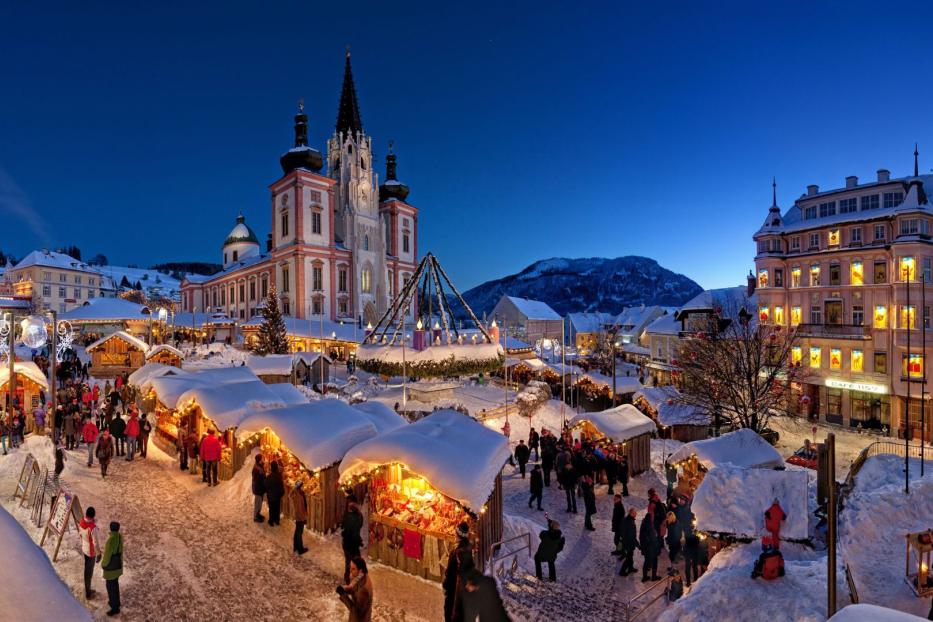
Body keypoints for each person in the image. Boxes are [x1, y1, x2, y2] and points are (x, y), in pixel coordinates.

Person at [443, 522, 474, 622]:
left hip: (454, 589)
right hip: (463, 591)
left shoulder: (457, 552)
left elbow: (451, 572)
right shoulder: (468, 548)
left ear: (458, 535)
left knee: (450, 611)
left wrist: (445, 586)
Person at [337, 556, 373, 622]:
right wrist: (347, 588)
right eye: (350, 567)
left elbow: (356, 612)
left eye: (353, 569)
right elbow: (354, 587)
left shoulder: (363, 590)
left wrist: (343, 595)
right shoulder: (363, 575)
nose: (350, 570)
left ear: (360, 570)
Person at [78, 506, 102, 600]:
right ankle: (88, 592)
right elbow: (95, 543)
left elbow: (80, 534)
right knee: (89, 572)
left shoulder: (81, 522)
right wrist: (99, 553)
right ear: (93, 516)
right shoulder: (92, 528)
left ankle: (88, 589)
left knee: (87, 569)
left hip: (84, 548)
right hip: (91, 551)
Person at [101, 521, 123, 617]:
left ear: (110, 528)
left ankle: (115, 608)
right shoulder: (119, 537)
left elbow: (107, 556)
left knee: (110, 588)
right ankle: (116, 603)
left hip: (111, 569)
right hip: (118, 566)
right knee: (115, 585)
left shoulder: (110, 540)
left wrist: (103, 564)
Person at [341, 495, 364, 583]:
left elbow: (343, 525)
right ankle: (353, 578)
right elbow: (360, 524)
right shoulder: (358, 517)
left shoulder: (347, 516)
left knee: (348, 561)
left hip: (347, 543)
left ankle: (348, 578)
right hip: (353, 543)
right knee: (355, 561)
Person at [640, 513, 661, 582]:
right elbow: (652, 538)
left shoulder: (643, 525)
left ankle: (644, 577)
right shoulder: (649, 526)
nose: (653, 518)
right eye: (652, 517)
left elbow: (641, 537)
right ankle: (654, 576)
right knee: (654, 562)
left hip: (646, 548)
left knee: (646, 562)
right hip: (651, 549)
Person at [618, 508, 639, 577]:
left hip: (625, 542)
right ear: (631, 513)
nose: (636, 514)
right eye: (635, 513)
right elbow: (632, 537)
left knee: (630, 556)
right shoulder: (631, 523)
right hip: (629, 544)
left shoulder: (625, 519)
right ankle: (622, 571)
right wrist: (638, 545)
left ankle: (630, 568)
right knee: (628, 558)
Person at [290, 480, 308, 555]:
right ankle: (300, 549)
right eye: (301, 486)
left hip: (299, 515)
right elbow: (300, 508)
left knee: (297, 531)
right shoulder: (297, 495)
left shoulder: (297, 493)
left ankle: (295, 546)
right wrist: (303, 517)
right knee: (299, 532)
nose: (302, 487)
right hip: (300, 516)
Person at [265, 461, 285, 526]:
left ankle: (271, 521)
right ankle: (277, 520)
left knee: (271, 508)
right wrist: (281, 494)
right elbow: (281, 486)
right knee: (277, 508)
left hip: (271, 496)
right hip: (277, 496)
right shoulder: (279, 476)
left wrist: (268, 492)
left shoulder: (269, 477)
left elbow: (266, 485)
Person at [251, 454, 266, 522]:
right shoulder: (256, 469)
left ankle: (258, 514)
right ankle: (255, 517)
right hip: (258, 489)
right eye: (262, 458)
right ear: (259, 460)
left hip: (260, 488)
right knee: (257, 503)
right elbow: (258, 480)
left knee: (259, 503)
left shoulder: (259, 466)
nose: (263, 459)